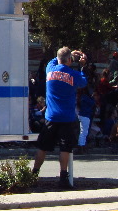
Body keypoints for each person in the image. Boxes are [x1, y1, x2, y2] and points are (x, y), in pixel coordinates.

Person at [33, 47, 88, 189]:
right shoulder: (73, 74)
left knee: (42, 147)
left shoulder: (50, 70)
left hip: (51, 116)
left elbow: (54, 60)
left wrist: (64, 56)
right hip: (67, 117)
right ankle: (63, 178)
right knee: (65, 148)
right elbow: (83, 82)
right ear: (69, 60)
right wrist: (82, 66)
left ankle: (33, 174)